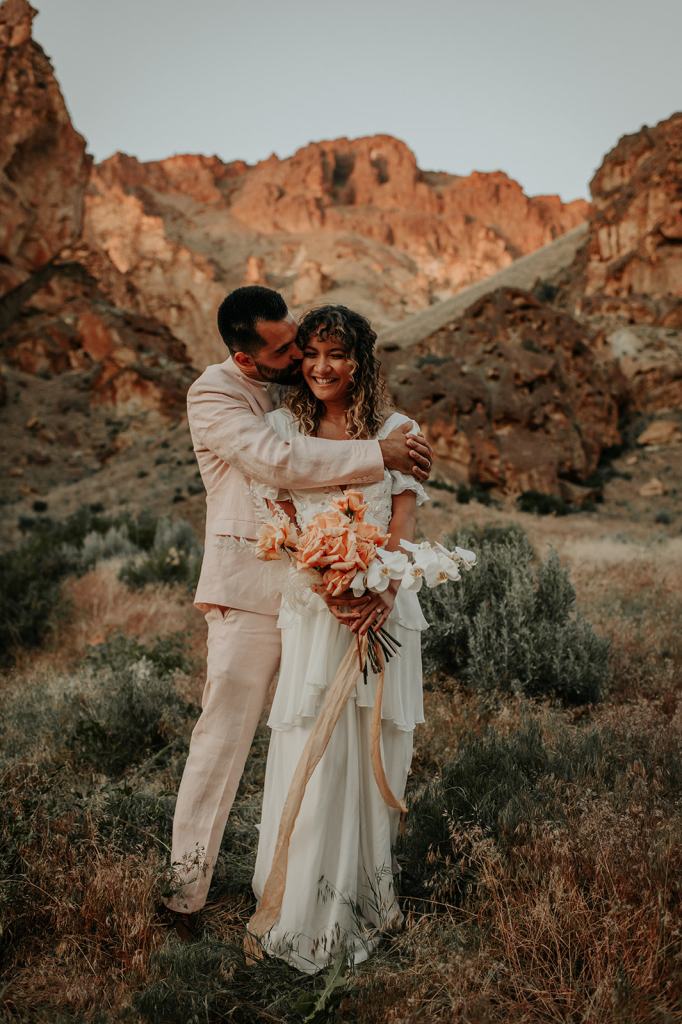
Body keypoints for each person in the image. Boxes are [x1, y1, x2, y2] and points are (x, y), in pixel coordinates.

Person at [164, 287, 432, 930]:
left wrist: (372, 579)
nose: (299, 358)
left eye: (300, 342)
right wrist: (381, 455)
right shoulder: (214, 394)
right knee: (223, 741)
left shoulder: (298, 394)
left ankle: (337, 879)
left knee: (338, 741)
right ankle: (184, 895)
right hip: (254, 594)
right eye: (286, 349)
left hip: (328, 599)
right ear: (246, 357)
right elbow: (276, 460)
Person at [250, 304, 428, 973]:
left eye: (338, 354)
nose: (322, 368)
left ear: (361, 361)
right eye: (312, 355)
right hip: (317, 611)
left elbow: (402, 524)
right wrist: (328, 582)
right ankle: (304, 903)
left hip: (384, 607)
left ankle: (366, 898)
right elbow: (283, 521)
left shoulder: (398, 431)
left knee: (377, 745)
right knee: (314, 750)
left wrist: (381, 589)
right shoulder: (282, 432)